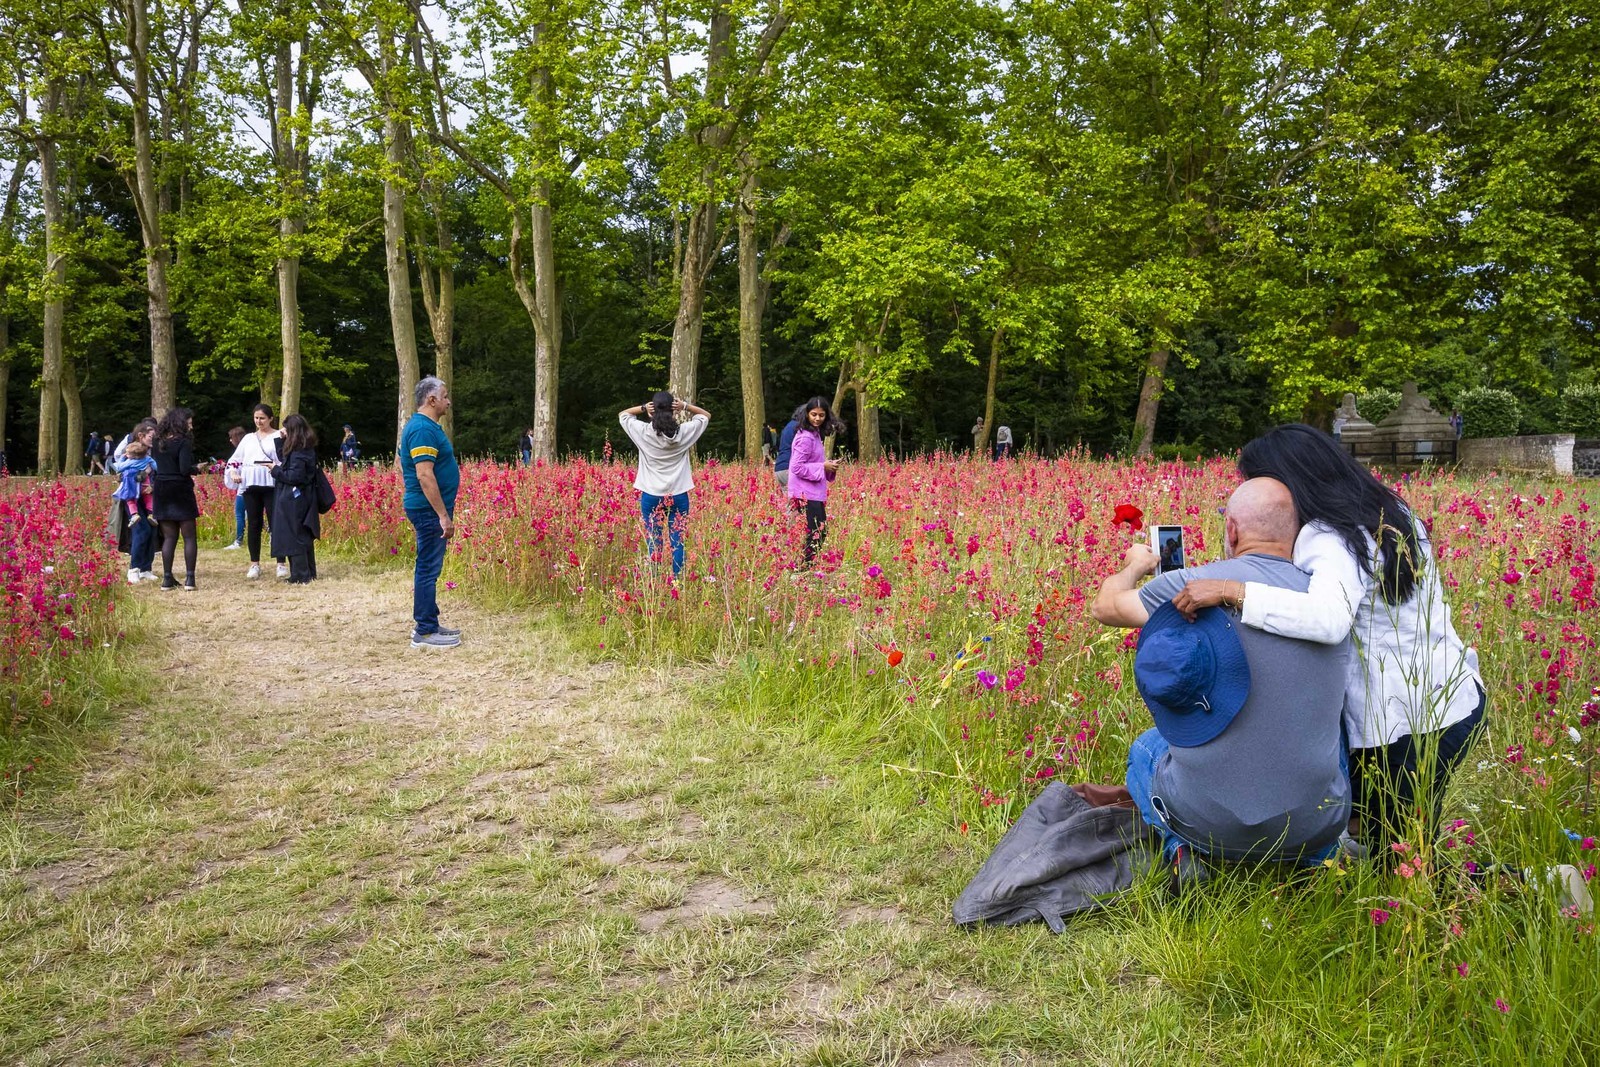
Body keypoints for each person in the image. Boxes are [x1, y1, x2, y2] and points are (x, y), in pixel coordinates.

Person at [1171, 423, 1486, 852]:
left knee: (1399, 862)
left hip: (1401, 727)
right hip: (1449, 700)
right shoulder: (1389, 509)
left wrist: (1232, 588)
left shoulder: (1329, 535)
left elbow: (1327, 619)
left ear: (1288, 481)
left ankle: (1536, 884)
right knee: (1391, 844)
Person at [1091, 477, 1352, 864]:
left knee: (1146, 749)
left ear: (1231, 529)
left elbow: (1106, 606)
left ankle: (1180, 848)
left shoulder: (1192, 586)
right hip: (1315, 825)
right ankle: (1314, 857)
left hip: (1209, 827)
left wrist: (1136, 565)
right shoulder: (1329, 603)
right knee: (1332, 739)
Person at [617, 391, 710, 576]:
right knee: (677, 540)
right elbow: (705, 416)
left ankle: (655, 580)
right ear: (673, 410)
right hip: (678, 493)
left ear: (653, 410)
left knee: (654, 539)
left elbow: (623, 415)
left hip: (651, 494)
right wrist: (684, 406)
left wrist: (643, 408)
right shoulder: (683, 432)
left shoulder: (643, 432)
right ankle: (677, 580)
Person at [401, 376, 461, 648]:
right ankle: (425, 631)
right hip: (428, 510)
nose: (449, 401)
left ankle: (430, 622)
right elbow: (425, 475)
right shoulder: (423, 430)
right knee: (427, 568)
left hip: (430, 510)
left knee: (429, 567)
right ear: (431, 399)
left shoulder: (427, 427)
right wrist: (443, 515)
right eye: (445, 396)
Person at [225, 404, 289, 579]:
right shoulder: (248, 439)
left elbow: (284, 459)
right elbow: (235, 460)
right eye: (256, 418)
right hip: (251, 485)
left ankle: (281, 563)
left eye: (262, 418)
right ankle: (254, 564)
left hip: (271, 484)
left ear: (270, 419)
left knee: (275, 523)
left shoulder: (278, 436)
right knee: (254, 523)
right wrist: (233, 472)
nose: (259, 421)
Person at [786, 396, 845, 571]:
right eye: (813, 414)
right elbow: (796, 467)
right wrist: (823, 466)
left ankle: (805, 567)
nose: (817, 418)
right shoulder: (806, 437)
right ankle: (804, 569)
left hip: (811, 492)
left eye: (821, 415)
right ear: (807, 414)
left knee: (817, 531)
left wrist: (828, 467)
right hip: (805, 493)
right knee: (815, 532)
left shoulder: (813, 434)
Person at [151, 407, 201, 591]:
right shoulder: (183, 442)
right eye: (189, 422)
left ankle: (166, 578)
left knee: (169, 537)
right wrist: (197, 468)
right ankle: (190, 579)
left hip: (161, 488)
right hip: (180, 488)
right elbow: (184, 468)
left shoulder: (157, 441)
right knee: (189, 536)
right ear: (181, 423)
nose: (191, 426)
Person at [270, 414, 322, 583]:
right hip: (303, 496)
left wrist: (274, 470)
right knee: (302, 534)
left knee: (295, 535)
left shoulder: (299, 452)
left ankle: (301, 575)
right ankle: (308, 572)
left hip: (296, 497)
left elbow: (294, 476)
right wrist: (280, 441)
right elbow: (286, 459)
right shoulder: (303, 447)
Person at [112, 421, 158, 583]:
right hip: (132, 496)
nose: (154, 439)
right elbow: (120, 467)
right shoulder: (131, 451)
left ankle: (146, 567)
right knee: (141, 530)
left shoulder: (152, 451)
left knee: (152, 529)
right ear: (141, 436)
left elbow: (156, 470)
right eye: (151, 436)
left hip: (148, 495)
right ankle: (134, 568)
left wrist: (152, 485)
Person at [222, 426, 247, 549]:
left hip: (244, 489)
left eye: (231, 438)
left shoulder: (240, 454)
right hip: (248, 487)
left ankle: (238, 540)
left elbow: (232, 467)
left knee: (239, 514)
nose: (230, 441)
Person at [772, 414, 800, 489]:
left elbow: (779, 444)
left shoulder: (788, 426)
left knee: (786, 498)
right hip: (789, 467)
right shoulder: (799, 427)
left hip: (779, 466)